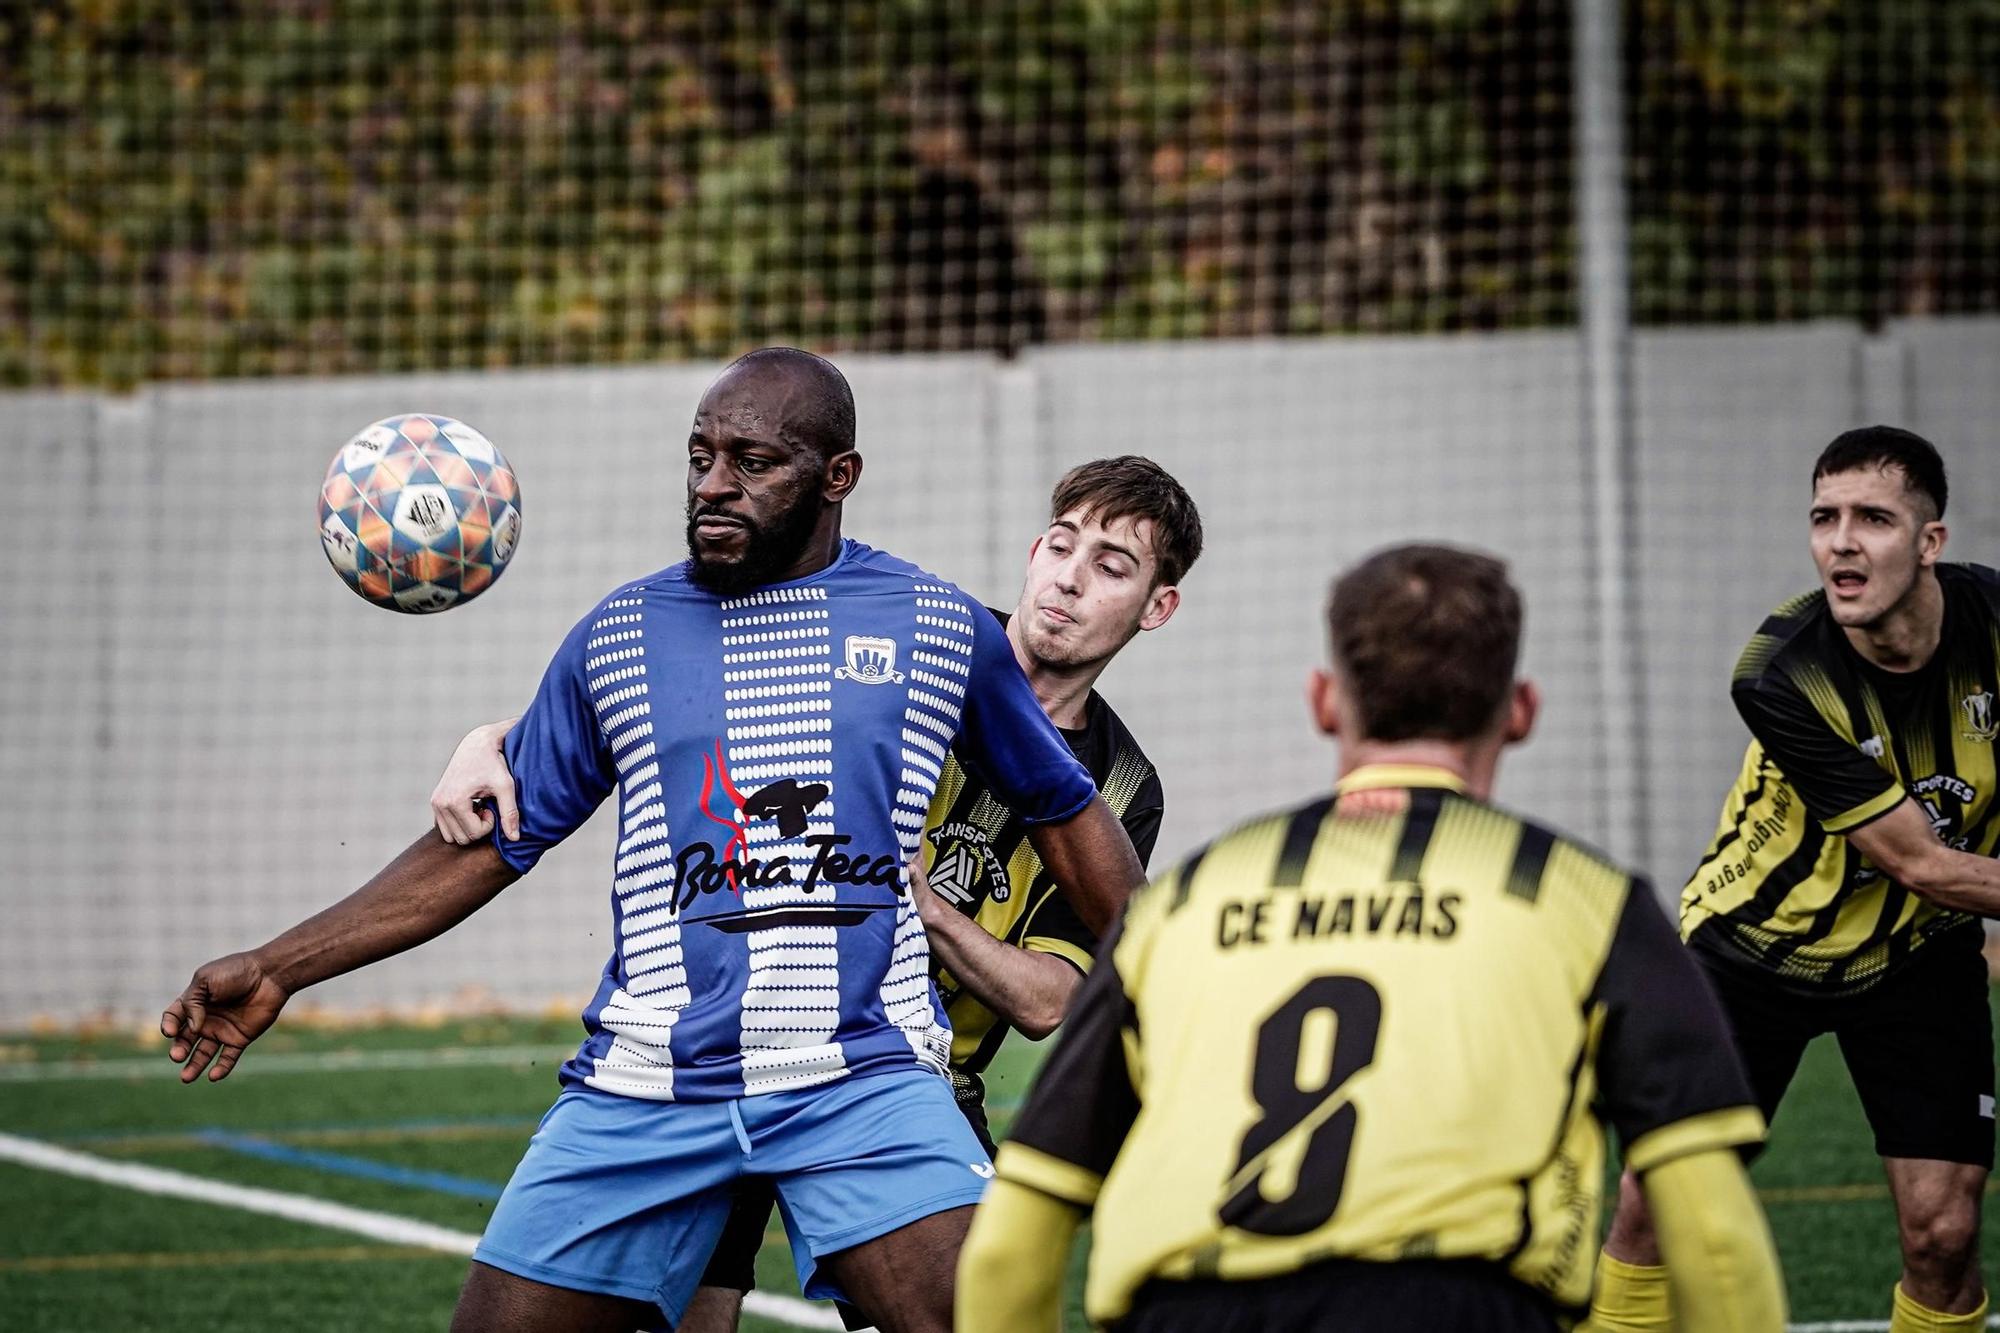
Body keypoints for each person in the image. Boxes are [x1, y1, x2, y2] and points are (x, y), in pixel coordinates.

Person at [159, 347, 1147, 1333]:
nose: (715, 485)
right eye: (700, 456)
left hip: (860, 1079)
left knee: (989, 1320)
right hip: (647, 1090)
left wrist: (1175, 976)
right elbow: (488, 845)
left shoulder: (936, 625)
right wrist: (282, 966)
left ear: (837, 477)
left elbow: (1062, 811)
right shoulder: (618, 634)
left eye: (754, 463)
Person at [431, 454, 1205, 1330]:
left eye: (1111, 566)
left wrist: (912, 899)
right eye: (1061, 546)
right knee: (690, 1318)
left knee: (979, 1305)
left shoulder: (1123, 788)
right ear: (1033, 551)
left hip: (904, 1083)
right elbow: (679, 693)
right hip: (729, 1041)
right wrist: (494, 737)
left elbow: (1053, 1000)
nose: (1068, 578)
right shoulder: (918, 640)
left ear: (1157, 606)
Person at [957, 543, 1787, 1333]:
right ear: (1522, 712)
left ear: (1324, 700)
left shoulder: (1187, 899)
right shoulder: (1583, 897)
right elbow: (1712, 1230)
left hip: (1187, 1304)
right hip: (1455, 1302)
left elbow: (1022, 1222)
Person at [1594, 426, 1999, 1333]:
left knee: (1944, 1230)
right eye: (1824, 518)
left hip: (1917, 957)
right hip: (1751, 951)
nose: (1841, 542)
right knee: (1655, 1205)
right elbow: (1919, 862)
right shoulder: (1782, 671)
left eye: (1873, 519)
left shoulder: (1997, 630)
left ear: (1930, 541)